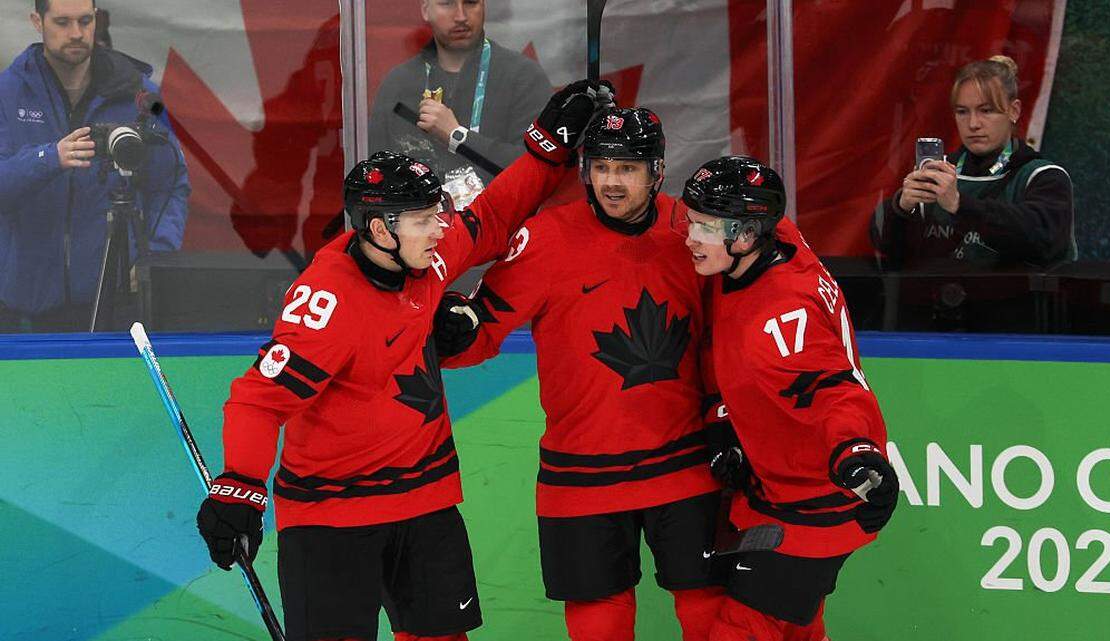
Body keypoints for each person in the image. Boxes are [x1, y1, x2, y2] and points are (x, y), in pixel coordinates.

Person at [195, 80, 609, 641]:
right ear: (378, 229)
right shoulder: (326, 303)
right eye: (423, 220)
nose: (440, 228)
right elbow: (258, 401)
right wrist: (239, 486)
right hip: (331, 519)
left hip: (425, 503)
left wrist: (547, 148)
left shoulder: (426, 258)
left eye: (437, 215)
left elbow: (493, 215)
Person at [431, 107, 724, 641]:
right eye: (601, 166)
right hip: (581, 473)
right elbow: (481, 332)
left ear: (657, 171)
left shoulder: (693, 231)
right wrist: (451, 331)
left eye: (628, 168)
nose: (611, 182)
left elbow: (738, 324)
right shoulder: (545, 238)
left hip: (686, 463)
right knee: (598, 623)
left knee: (711, 613)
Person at [676, 156, 900, 641]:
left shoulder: (783, 316)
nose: (690, 237)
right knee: (799, 630)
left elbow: (835, 392)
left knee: (743, 629)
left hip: (814, 502)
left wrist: (856, 452)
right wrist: (725, 422)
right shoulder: (773, 240)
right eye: (693, 221)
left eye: (705, 228)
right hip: (777, 491)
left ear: (747, 235)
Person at [0, 0, 190, 332]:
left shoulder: (142, 95)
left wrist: (155, 257)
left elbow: (171, 182)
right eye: (62, 22)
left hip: (117, 301)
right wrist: (49, 158)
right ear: (37, 21)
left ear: (96, 20)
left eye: (85, 21)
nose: (76, 33)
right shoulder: (7, 92)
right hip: (26, 302)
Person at [870, 55, 1075, 270]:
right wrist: (901, 207)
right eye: (962, 112)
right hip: (936, 291)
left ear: (1014, 111)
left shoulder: (1043, 176)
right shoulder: (938, 172)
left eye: (986, 110)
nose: (973, 124)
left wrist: (959, 205)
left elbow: (1044, 241)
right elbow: (887, 248)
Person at [368, 0, 552, 211]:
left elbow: (538, 169)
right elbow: (376, 177)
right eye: (447, 3)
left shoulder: (523, 77)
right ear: (426, 10)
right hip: (417, 227)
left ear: (483, 6)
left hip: (502, 226)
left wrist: (458, 137)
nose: (461, 16)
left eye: (471, 3)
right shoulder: (399, 84)